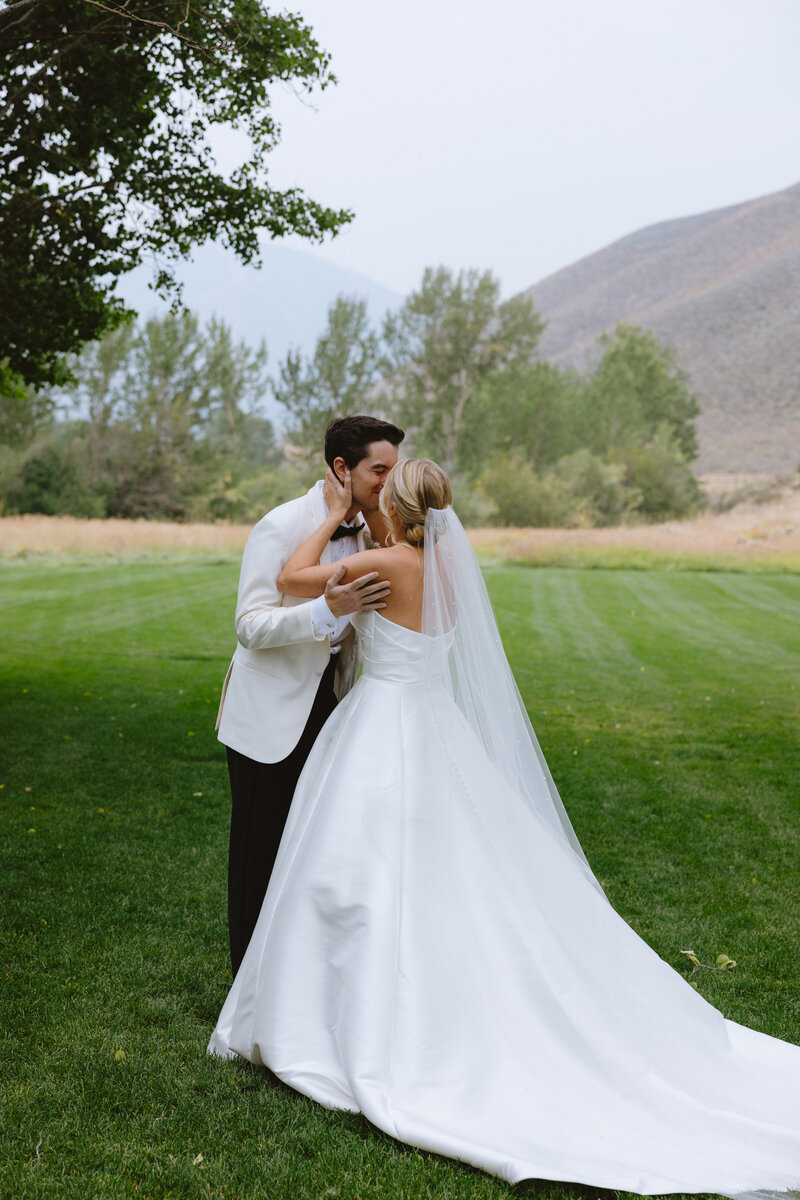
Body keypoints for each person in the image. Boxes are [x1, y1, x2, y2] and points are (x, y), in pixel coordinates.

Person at [209, 458, 800, 1197]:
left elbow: (297, 579)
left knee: (354, 866)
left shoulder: (381, 563)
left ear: (392, 505)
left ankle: (338, 1014)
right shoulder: (452, 573)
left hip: (380, 726)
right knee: (444, 864)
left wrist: (330, 517)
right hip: (435, 724)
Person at [215, 415, 404, 977]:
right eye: (379, 470)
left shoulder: (378, 528)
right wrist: (329, 609)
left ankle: (294, 974)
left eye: (395, 471)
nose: (388, 483)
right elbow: (250, 625)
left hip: (336, 708)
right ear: (342, 469)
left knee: (315, 846)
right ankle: (247, 979)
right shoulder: (281, 525)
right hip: (270, 715)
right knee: (260, 850)